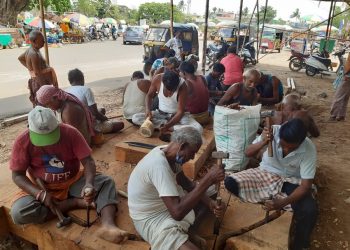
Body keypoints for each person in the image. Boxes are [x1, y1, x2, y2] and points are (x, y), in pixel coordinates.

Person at [10, 106, 129, 244]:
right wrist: (39, 194)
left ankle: (108, 226)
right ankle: (74, 203)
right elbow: (17, 175)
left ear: (57, 124)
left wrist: (89, 184)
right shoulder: (22, 141)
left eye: (51, 136)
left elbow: (88, 161)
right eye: (42, 138)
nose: (48, 143)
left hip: (72, 181)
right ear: (30, 129)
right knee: (19, 213)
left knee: (106, 182)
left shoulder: (70, 133)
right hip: (41, 186)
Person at [224, 119, 318, 250]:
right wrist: (262, 141)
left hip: (290, 181)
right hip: (265, 174)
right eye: (283, 145)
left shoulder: (309, 149)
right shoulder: (273, 131)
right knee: (231, 183)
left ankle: (300, 244)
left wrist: (283, 202)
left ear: (301, 141)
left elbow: (305, 186)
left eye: (291, 148)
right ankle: (272, 201)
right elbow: (247, 153)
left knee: (309, 209)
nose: (286, 149)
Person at [128, 127, 225, 250]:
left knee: (211, 193)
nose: (192, 157)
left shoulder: (170, 155)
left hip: (166, 206)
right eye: (192, 152)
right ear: (182, 146)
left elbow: (187, 184)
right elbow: (177, 213)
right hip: (150, 218)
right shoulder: (158, 165)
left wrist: (210, 203)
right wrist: (207, 180)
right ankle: (182, 236)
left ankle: (187, 233)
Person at [132, 71, 203, 138]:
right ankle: (167, 126)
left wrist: (168, 125)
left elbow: (180, 112)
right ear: (163, 82)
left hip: (177, 116)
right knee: (135, 118)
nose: (169, 93)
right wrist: (148, 109)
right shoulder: (157, 79)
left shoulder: (183, 86)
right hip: (160, 114)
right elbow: (149, 95)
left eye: (173, 90)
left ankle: (169, 127)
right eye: (167, 89)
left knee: (198, 128)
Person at [65, 68, 124, 134]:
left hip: (75, 123)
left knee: (102, 110)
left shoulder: (66, 91)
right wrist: (105, 119)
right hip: (87, 125)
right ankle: (101, 126)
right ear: (82, 78)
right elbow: (94, 113)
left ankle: (101, 122)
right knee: (120, 124)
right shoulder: (86, 90)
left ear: (70, 81)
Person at [18, 30, 58, 106]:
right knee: (43, 107)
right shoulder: (33, 54)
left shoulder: (32, 50)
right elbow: (37, 73)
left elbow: (20, 58)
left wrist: (30, 69)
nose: (44, 41)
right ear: (34, 41)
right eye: (42, 39)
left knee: (41, 107)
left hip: (39, 84)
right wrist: (50, 69)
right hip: (40, 85)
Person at [329, 53, 350, 121]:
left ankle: (333, 116)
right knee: (345, 97)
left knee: (338, 96)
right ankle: (341, 116)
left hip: (348, 76)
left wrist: (347, 74)